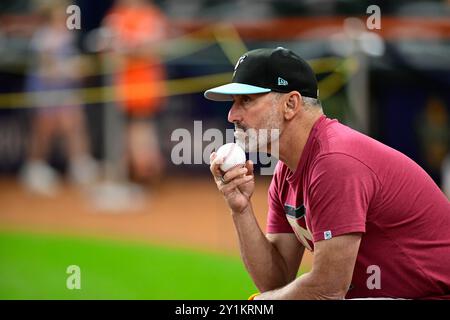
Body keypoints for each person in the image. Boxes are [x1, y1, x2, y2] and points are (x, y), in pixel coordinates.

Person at [205, 47, 450, 300]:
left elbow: (328, 290)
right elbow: (276, 281)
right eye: (234, 102)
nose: (232, 115)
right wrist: (241, 209)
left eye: (246, 100)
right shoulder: (287, 171)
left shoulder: (335, 162)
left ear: (291, 104)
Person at [20, 2, 98, 196]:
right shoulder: (43, 38)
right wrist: (69, 69)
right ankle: (34, 169)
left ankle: (80, 165)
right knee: (44, 129)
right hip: (45, 91)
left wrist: (79, 69)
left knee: (75, 124)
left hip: (66, 91)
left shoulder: (68, 36)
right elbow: (46, 71)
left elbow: (75, 66)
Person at [101, 0, 167, 184]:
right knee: (129, 133)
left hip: (144, 86)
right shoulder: (117, 14)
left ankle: (145, 176)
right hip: (123, 87)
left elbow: (154, 45)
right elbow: (107, 46)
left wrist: (128, 46)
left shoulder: (149, 15)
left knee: (141, 131)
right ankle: (134, 177)